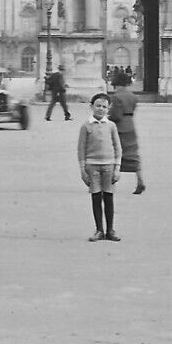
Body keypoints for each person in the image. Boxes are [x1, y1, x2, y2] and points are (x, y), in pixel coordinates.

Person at [77, 92, 122, 240]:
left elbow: (118, 147)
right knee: (96, 198)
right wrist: (83, 170)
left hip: (109, 165)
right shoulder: (86, 126)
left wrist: (117, 168)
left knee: (108, 197)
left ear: (108, 109)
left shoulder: (111, 126)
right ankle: (99, 230)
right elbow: (81, 148)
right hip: (92, 166)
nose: (100, 109)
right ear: (91, 107)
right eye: (98, 106)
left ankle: (110, 230)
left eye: (104, 106)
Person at [107, 79, 145, 194]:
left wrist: (107, 118)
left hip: (120, 127)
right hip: (130, 124)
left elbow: (116, 115)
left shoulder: (116, 97)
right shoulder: (133, 96)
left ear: (118, 85)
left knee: (115, 153)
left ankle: (111, 182)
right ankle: (140, 180)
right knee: (133, 154)